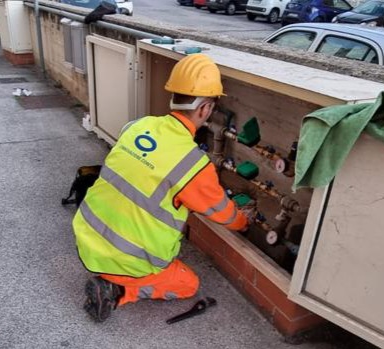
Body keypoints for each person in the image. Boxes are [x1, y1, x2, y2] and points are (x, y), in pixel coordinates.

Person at [72, 53, 252, 322]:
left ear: (173, 98)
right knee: (188, 284)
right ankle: (118, 290)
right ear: (205, 109)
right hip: (128, 259)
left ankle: (114, 278)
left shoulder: (138, 126)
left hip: (86, 237)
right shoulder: (194, 165)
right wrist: (243, 221)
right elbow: (223, 214)